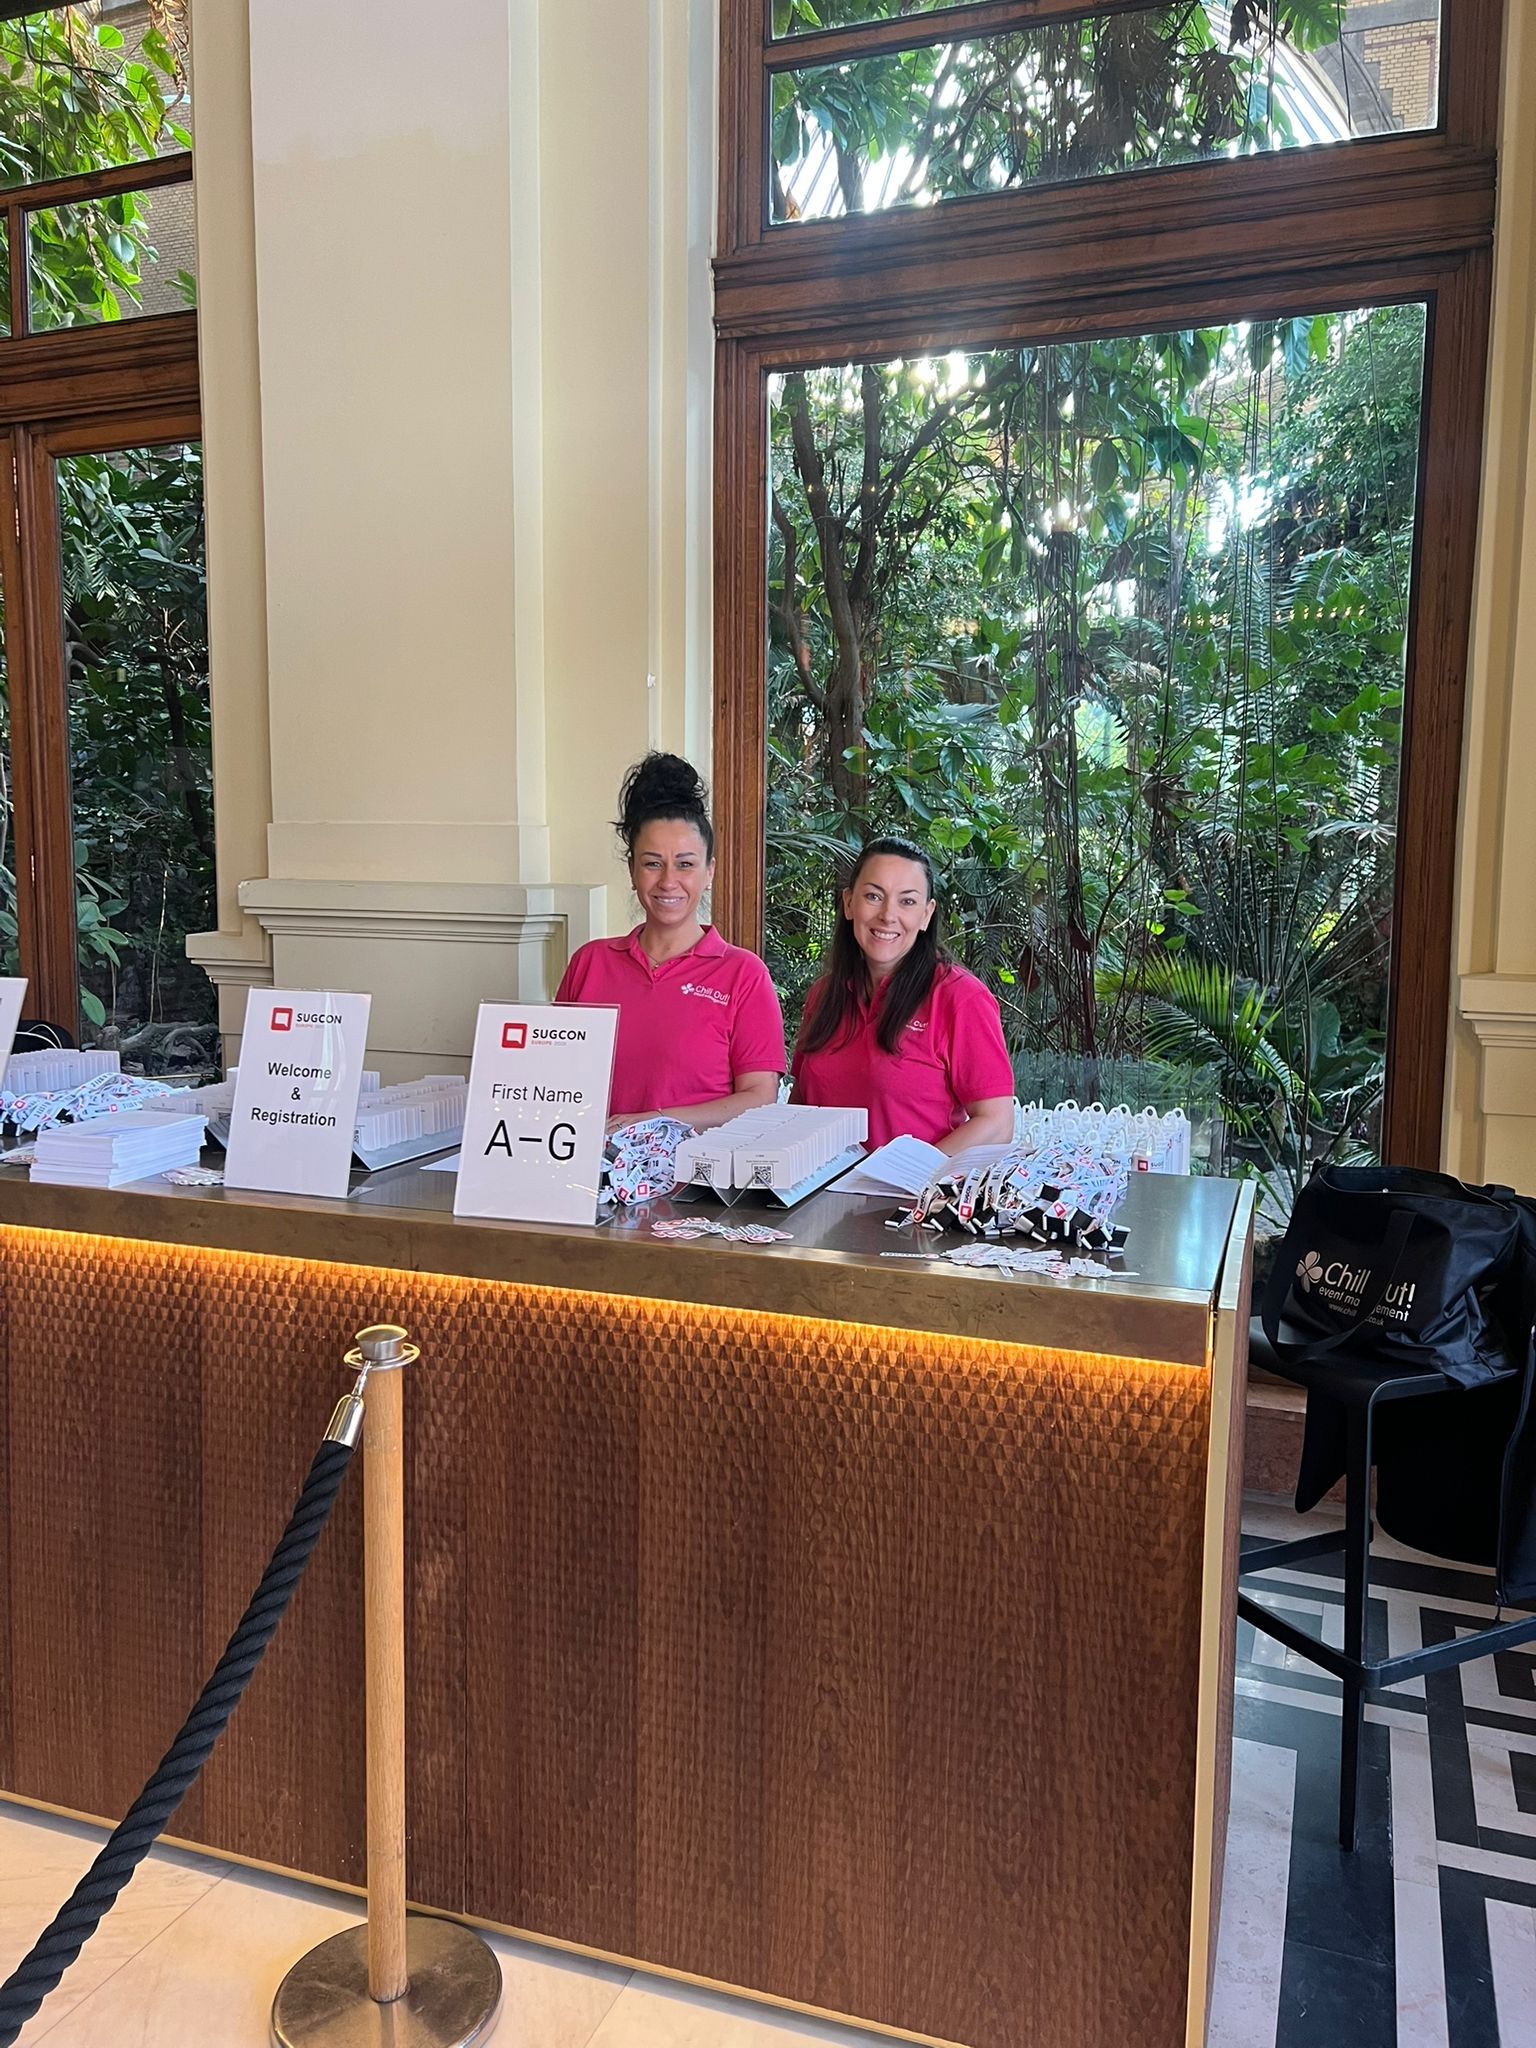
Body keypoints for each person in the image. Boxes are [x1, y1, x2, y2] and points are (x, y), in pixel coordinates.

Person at [556, 753, 786, 1129]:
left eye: (685, 864)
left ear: (709, 871)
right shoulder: (590, 962)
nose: (668, 881)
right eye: (652, 863)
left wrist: (654, 1123)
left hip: (698, 1181)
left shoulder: (743, 975)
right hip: (594, 1176)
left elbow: (760, 1096)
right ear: (632, 870)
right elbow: (553, 1077)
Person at [791, 837, 1015, 1153]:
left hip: (910, 1197)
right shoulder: (823, 995)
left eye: (907, 901)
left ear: (926, 914)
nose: (887, 915)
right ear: (849, 903)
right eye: (873, 896)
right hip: (817, 1196)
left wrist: (914, 1175)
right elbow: (801, 1100)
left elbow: (996, 1123)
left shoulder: (961, 998)